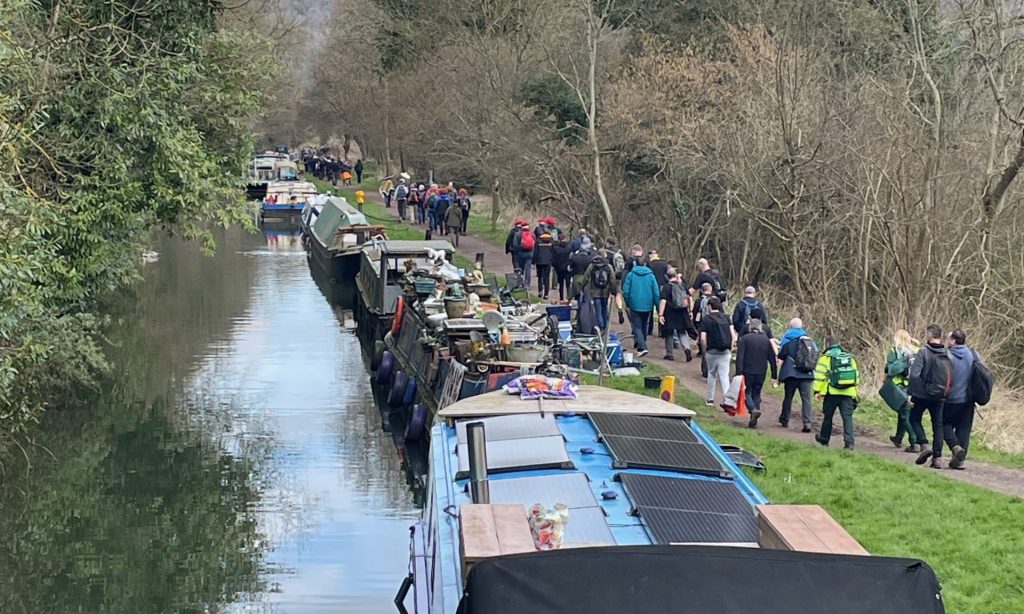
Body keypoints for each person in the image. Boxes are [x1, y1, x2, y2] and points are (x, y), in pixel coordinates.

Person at [909, 324, 953, 469]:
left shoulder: (923, 352)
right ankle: (937, 458)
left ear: (929, 335)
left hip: (922, 395)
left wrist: (912, 393)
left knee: (914, 418)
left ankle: (923, 444)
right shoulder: (947, 353)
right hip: (940, 395)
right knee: (938, 426)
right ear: (940, 336)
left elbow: (914, 375)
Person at [813, 336, 860, 449]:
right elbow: (856, 377)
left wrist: (817, 391)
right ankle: (849, 442)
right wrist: (854, 393)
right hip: (848, 393)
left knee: (828, 417)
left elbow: (819, 375)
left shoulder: (825, 358)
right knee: (847, 418)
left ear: (827, 345)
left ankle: (824, 439)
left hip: (831, 392)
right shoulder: (850, 358)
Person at [943, 329, 976, 470]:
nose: (947, 341)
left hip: (950, 399)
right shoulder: (973, 354)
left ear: (953, 341)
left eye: (948, 339)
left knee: (943, 423)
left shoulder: (947, 356)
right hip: (968, 400)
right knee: (964, 429)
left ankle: (955, 447)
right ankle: (959, 460)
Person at [776, 318, 817, 432]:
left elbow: (781, 355)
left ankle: (784, 419)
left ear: (790, 326)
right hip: (806, 374)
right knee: (806, 399)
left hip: (791, 374)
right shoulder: (809, 341)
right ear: (801, 326)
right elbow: (815, 354)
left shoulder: (787, 339)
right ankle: (807, 422)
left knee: (788, 397)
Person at [736, 318, 778, 428]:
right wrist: (774, 375)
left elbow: (740, 357)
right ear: (760, 328)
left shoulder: (744, 339)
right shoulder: (766, 340)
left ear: (750, 327)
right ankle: (754, 419)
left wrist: (738, 373)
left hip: (747, 370)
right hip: (761, 371)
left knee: (746, 392)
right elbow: (772, 359)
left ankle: (752, 409)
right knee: (756, 393)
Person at [885, 329, 921, 451]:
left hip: (900, 386)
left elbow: (890, 370)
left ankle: (914, 441)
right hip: (916, 387)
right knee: (904, 412)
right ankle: (898, 437)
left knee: (904, 414)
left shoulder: (895, 352)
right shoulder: (917, 351)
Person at [700, 297, 734, 406]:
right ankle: (727, 400)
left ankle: (710, 399)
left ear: (710, 306)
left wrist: (705, 350)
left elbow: (702, 338)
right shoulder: (727, 318)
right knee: (724, 376)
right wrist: (730, 349)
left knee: (711, 374)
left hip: (712, 351)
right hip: (725, 351)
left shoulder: (706, 319)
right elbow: (733, 335)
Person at [622, 258, 660, 356]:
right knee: (644, 324)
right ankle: (642, 343)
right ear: (645, 264)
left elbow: (626, 291)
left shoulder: (631, 275)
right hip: (648, 304)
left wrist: (627, 302)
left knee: (636, 326)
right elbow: (656, 292)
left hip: (634, 303)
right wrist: (658, 306)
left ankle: (642, 346)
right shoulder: (651, 276)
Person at [657, 270, 693, 362]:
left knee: (669, 333)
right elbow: (690, 298)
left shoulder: (666, 287)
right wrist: (690, 311)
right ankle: (687, 349)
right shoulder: (682, 286)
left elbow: (663, 301)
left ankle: (670, 354)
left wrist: (660, 314)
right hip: (682, 312)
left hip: (669, 312)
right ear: (676, 275)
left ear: (666, 276)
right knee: (682, 332)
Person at [582, 250, 617, 331]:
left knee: (597, 308)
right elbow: (612, 279)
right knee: (604, 307)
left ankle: (600, 325)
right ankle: (605, 325)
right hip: (605, 291)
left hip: (595, 291)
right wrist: (613, 291)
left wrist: (583, 286)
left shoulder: (592, 265)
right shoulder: (608, 266)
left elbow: (586, 277)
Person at [569, 237, 597, 303]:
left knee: (577, 295)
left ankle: (578, 308)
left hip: (577, 278)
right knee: (586, 295)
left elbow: (569, 268)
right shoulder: (590, 259)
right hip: (587, 279)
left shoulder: (575, 258)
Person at [533, 223, 555, 299]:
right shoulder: (551, 240)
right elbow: (553, 251)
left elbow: (535, 252)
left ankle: (540, 291)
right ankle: (546, 294)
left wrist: (533, 261)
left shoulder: (538, 239)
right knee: (547, 277)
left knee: (540, 277)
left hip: (539, 261)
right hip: (548, 261)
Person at [553, 234, 573, 303]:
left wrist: (556, 267)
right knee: (568, 284)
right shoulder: (570, 248)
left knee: (561, 284)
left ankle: (561, 297)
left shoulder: (556, 248)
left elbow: (554, 260)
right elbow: (572, 258)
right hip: (568, 268)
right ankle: (569, 297)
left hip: (559, 269)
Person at [515, 222, 536, 287]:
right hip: (529, 254)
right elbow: (534, 244)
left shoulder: (518, 234)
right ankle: (527, 284)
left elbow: (515, 245)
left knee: (520, 269)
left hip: (520, 253)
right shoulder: (532, 234)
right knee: (528, 269)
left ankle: (519, 283)